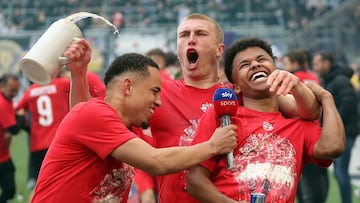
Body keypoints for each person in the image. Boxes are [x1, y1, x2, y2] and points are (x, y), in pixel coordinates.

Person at [67, 14, 321, 203]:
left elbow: (307, 112)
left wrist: (311, 90)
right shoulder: (159, 93)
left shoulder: (242, 93)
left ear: (219, 49)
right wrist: (79, 75)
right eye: (183, 35)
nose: (191, 40)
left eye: (200, 34)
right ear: (178, 50)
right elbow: (88, 121)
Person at [30, 50, 238, 203]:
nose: (159, 101)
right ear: (128, 87)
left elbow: (81, 114)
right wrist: (213, 146)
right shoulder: (95, 114)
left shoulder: (122, 127)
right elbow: (156, 162)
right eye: (154, 91)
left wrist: (78, 73)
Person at [186, 37, 345, 203]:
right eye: (244, 64)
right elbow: (195, 181)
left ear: (276, 70)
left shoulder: (298, 122)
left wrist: (327, 98)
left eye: (261, 59)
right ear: (237, 86)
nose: (255, 64)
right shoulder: (223, 116)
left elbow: (332, 148)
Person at [283, 50, 329, 203]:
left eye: (287, 63)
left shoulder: (294, 79)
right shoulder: (313, 77)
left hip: (302, 132)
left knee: (304, 179)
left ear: (295, 63)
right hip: (318, 130)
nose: (285, 67)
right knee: (320, 175)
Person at [312, 51, 359, 203]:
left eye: (317, 64)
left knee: (341, 172)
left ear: (326, 63)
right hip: (342, 132)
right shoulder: (331, 79)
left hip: (345, 132)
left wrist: (334, 124)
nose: (315, 67)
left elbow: (349, 105)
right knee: (339, 172)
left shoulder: (339, 80)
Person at [0, 73, 24, 203]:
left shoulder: (7, 100)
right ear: (2, 86)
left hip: (4, 156)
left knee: (9, 190)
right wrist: (20, 116)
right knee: (9, 190)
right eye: (12, 90)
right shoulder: (2, 103)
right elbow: (14, 130)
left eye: (17, 90)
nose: (15, 94)